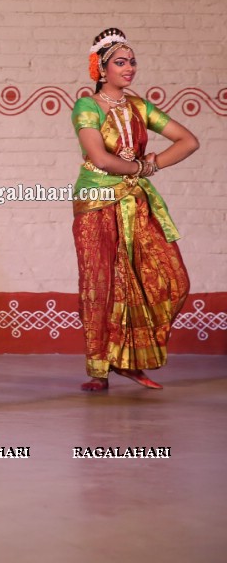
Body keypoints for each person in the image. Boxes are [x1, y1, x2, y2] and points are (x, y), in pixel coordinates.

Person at [72, 29, 197, 392]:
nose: (130, 69)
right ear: (101, 69)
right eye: (121, 63)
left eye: (132, 62)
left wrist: (151, 165)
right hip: (96, 204)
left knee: (167, 279)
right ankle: (99, 369)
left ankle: (130, 359)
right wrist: (141, 168)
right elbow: (98, 157)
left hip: (135, 201)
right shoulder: (87, 106)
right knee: (101, 285)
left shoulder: (139, 107)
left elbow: (188, 141)